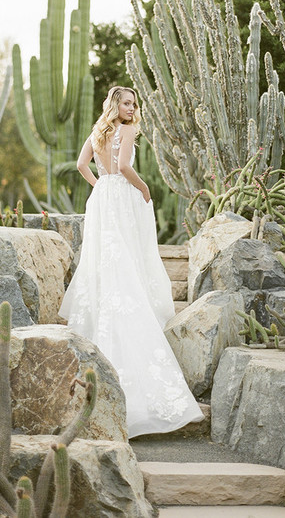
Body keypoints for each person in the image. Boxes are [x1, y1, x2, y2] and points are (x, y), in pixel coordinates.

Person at [59, 86, 204, 438]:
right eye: (126, 102)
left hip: (103, 198)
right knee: (125, 257)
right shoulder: (125, 131)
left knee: (107, 263)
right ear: (115, 105)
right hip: (121, 197)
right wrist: (143, 189)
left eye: (134, 104)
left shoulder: (98, 131)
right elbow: (124, 166)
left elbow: (81, 165)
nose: (131, 108)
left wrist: (100, 184)